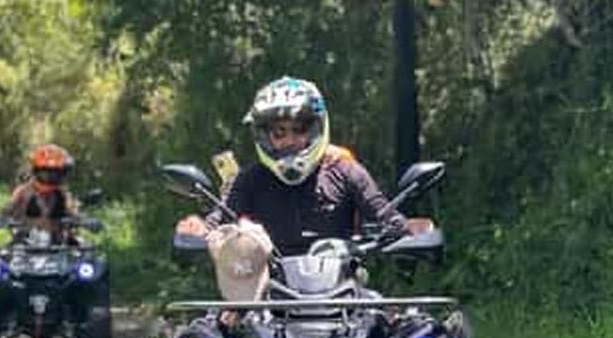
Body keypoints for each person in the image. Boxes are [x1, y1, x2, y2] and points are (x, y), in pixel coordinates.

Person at [176, 76, 430, 256]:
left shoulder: (345, 169)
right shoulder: (250, 179)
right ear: (265, 136)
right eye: (279, 132)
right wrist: (196, 229)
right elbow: (219, 220)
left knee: (404, 329)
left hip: (343, 293)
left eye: (299, 130)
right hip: (266, 294)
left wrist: (413, 229)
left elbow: (386, 215)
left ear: (317, 128)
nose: (290, 140)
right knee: (211, 330)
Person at [5, 143, 79, 243]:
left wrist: (77, 221)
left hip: (59, 245)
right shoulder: (23, 192)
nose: (49, 177)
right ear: (36, 171)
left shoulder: (63, 194)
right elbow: (8, 211)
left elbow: (73, 214)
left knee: (85, 253)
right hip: (25, 244)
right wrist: (5, 218)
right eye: (45, 172)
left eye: (54, 173)